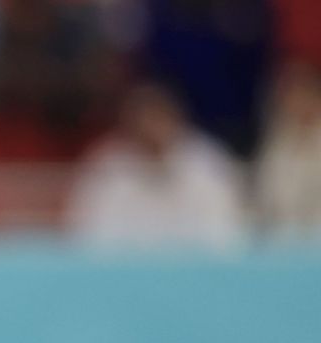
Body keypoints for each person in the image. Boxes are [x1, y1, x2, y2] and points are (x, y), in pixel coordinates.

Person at [68, 81, 249, 249]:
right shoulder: (106, 169)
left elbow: (227, 237)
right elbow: (89, 240)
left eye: (158, 118)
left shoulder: (208, 164)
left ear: (175, 119)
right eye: (143, 120)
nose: (151, 128)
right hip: (125, 277)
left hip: (197, 275)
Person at [258, 63, 321, 240]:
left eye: (304, 93)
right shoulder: (277, 145)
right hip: (284, 248)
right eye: (290, 95)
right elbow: (268, 203)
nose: (296, 102)